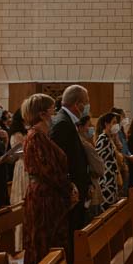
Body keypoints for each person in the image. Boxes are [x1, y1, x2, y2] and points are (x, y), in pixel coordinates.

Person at [21, 94, 74, 264]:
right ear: (43, 114)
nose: (55, 114)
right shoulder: (35, 137)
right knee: (44, 243)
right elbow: (49, 170)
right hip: (44, 198)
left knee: (53, 242)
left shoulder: (42, 135)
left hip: (50, 195)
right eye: (53, 110)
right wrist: (69, 189)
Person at [51, 84, 92, 228]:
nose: (87, 106)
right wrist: (69, 185)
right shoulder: (62, 123)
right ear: (77, 104)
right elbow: (58, 160)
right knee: (72, 230)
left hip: (77, 187)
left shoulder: (68, 121)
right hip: (70, 190)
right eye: (86, 103)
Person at [93, 109, 124, 207]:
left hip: (111, 178)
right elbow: (97, 159)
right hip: (105, 180)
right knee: (107, 208)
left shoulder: (109, 138)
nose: (116, 125)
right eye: (113, 122)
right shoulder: (103, 139)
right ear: (107, 124)